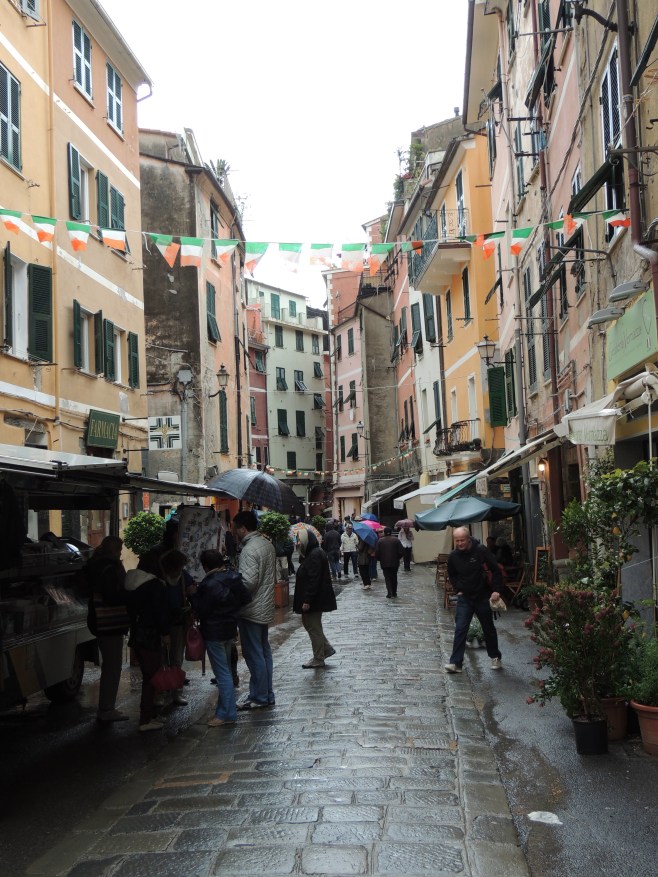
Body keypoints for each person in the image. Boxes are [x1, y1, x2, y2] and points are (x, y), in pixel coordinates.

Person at [193, 549, 252, 726]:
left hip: (214, 631)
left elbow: (201, 610)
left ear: (205, 566)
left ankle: (227, 714)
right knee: (225, 670)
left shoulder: (208, 584)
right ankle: (224, 709)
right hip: (229, 628)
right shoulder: (233, 577)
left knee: (222, 674)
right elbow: (246, 598)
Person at [124, 555, 174, 732]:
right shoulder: (155, 585)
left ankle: (150, 715)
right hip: (151, 635)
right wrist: (166, 633)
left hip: (137, 634)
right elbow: (160, 612)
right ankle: (146, 719)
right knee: (152, 677)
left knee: (148, 675)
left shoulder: (130, 584)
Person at [233, 510, 277, 710]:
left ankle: (259, 696)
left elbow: (248, 583)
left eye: (236, 529)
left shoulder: (249, 550)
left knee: (254, 653)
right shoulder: (267, 544)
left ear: (243, 528)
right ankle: (267, 693)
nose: (234, 533)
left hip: (251, 608)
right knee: (264, 651)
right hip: (264, 605)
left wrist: (232, 588)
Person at [444, 526, 503, 674]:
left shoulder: (481, 550)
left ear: (468, 539)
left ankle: (495, 656)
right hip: (465, 598)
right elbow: (452, 575)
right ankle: (455, 663)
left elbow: (496, 569)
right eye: (457, 540)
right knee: (460, 629)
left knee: (488, 628)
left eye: (462, 540)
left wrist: (496, 590)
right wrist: (458, 589)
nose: (460, 543)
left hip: (482, 596)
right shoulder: (453, 556)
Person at [86, 535, 130, 723]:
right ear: (113, 550)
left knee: (110, 664)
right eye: (119, 550)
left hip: (100, 620)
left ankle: (106, 708)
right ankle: (106, 709)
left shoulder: (95, 564)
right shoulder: (110, 569)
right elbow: (113, 595)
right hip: (110, 620)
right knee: (112, 665)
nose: (120, 554)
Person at [294, 528, 337, 669]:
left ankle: (318, 657)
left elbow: (314, 579)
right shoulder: (312, 553)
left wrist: (307, 600)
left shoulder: (315, 554)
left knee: (314, 628)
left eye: (301, 540)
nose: (299, 543)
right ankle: (326, 649)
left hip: (314, 600)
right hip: (314, 599)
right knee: (310, 625)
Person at [159, 548, 192, 706]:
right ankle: (163, 691)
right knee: (162, 660)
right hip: (161, 623)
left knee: (176, 659)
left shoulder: (184, 577)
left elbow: (193, 594)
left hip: (178, 623)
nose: (179, 570)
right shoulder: (159, 579)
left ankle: (176, 692)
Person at [375, 527, 404, 598]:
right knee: (394, 577)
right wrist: (397, 558)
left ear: (384, 532)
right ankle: (394, 592)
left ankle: (389, 592)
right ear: (391, 532)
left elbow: (377, 553)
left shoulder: (380, 541)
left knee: (387, 577)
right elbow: (401, 552)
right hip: (394, 562)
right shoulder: (396, 540)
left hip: (384, 563)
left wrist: (380, 559)